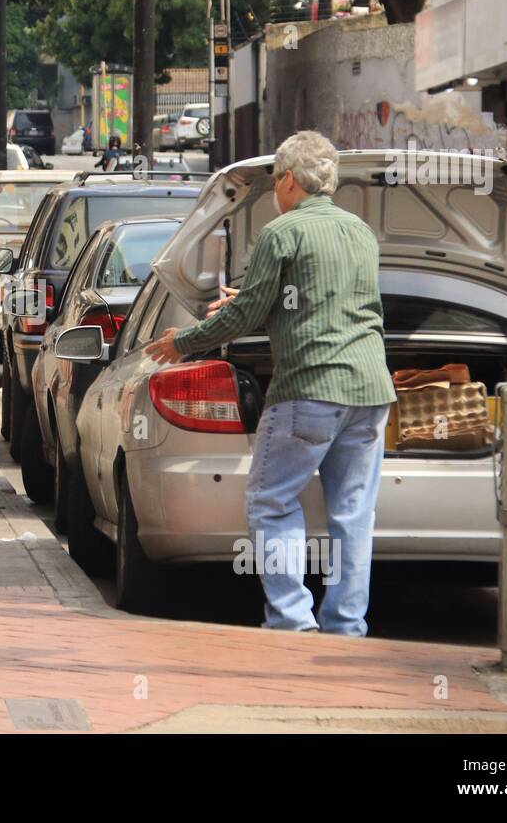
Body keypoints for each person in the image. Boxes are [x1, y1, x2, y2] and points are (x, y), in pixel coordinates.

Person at [144, 130, 396, 637]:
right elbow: (327, 300)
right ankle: (346, 627)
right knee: (353, 514)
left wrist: (183, 343)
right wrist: (259, 297)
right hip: (371, 391)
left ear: (285, 179)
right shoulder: (361, 231)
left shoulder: (282, 233)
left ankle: (292, 623)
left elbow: (247, 317)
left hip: (310, 387)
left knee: (271, 501)